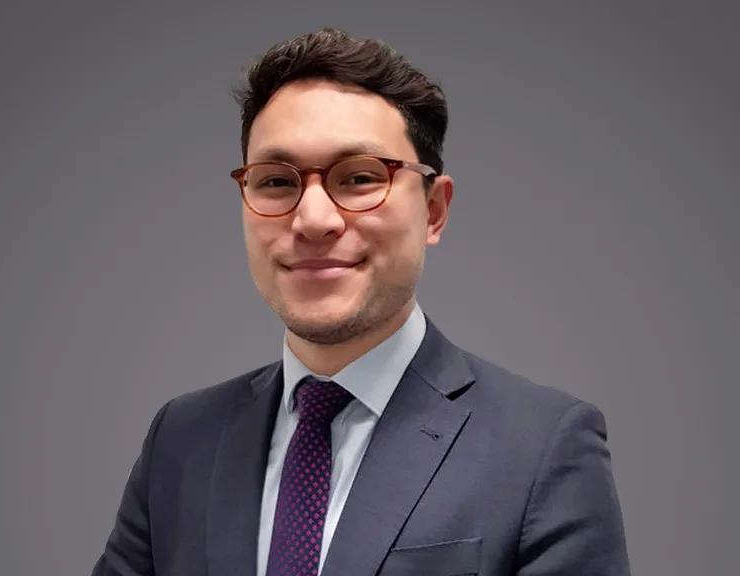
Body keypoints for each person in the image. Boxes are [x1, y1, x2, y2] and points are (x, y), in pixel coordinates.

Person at [92, 28, 630, 576]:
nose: (313, 220)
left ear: (434, 210)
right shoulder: (182, 439)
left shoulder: (542, 447)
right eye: (277, 181)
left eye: (360, 178)